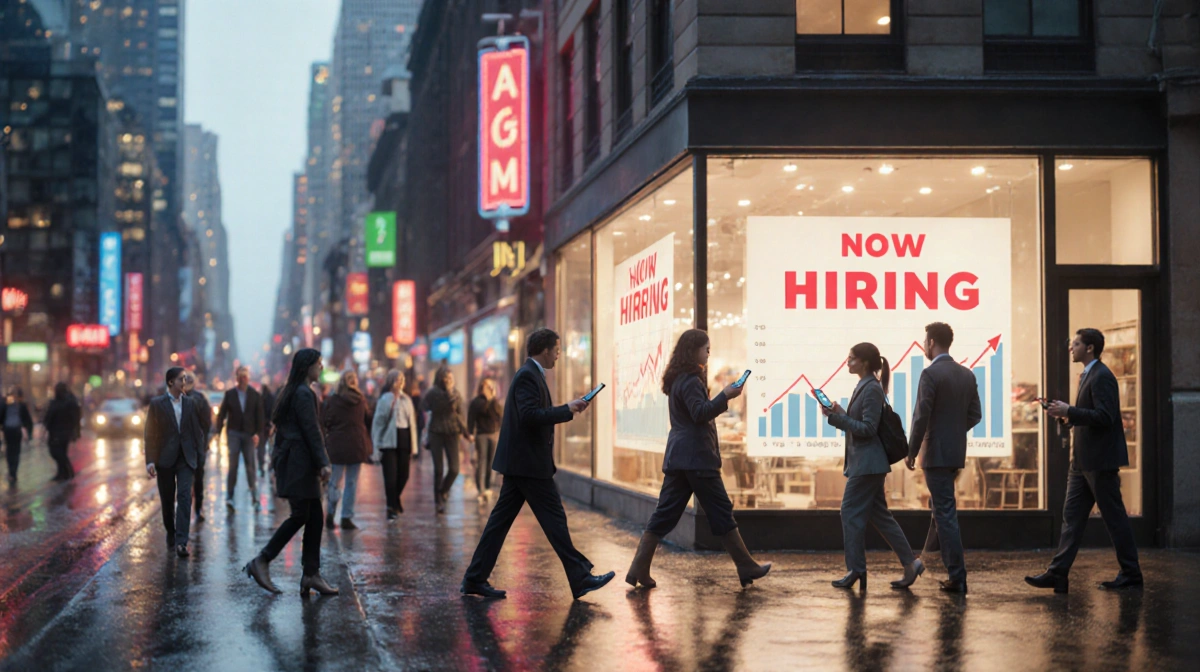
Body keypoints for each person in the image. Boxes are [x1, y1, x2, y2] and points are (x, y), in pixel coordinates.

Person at [462, 328, 615, 601]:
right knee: (554, 520)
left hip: (523, 463)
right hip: (528, 464)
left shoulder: (532, 375)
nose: (558, 355)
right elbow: (530, 415)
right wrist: (567, 409)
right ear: (544, 350)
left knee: (500, 523)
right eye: (556, 349)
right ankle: (580, 577)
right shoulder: (527, 376)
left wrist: (568, 408)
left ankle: (474, 578)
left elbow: (533, 413)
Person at [626, 329, 771, 590]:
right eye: (706, 349)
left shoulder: (678, 378)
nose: (709, 353)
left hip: (680, 457)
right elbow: (700, 413)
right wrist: (725, 395)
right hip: (697, 458)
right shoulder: (691, 380)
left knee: (665, 512)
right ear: (693, 350)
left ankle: (638, 567)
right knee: (720, 510)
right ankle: (745, 565)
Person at [1026, 328, 1142, 593]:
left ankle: (1132, 574)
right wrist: (1067, 415)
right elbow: (1090, 416)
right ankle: (1058, 574)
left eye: (1076, 344)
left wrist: (1071, 411)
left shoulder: (1102, 376)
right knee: (1072, 518)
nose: (1071, 348)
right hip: (1082, 462)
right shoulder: (1089, 375)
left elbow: (1105, 416)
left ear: (1089, 348)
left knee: (1114, 518)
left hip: (1099, 462)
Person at [822, 342, 922, 591]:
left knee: (849, 513)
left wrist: (836, 420)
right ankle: (911, 564)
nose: (847, 361)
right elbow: (861, 422)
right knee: (880, 516)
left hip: (867, 465)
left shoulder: (871, 389)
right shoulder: (865, 386)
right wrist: (839, 412)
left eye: (852, 358)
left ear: (865, 362)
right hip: (867, 464)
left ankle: (856, 569)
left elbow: (867, 429)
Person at [244, 349, 338, 596]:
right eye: (318, 363)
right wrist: (324, 462)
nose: (321, 367)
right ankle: (262, 560)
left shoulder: (294, 391)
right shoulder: (303, 394)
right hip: (299, 462)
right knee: (300, 515)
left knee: (314, 516)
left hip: (297, 461)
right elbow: (311, 431)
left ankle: (311, 574)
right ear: (307, 366)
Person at [905, 322, 981, 594]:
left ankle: (957, 576)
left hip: (935, 453)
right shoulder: (967, 375)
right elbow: (976, 415)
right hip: (955, 453)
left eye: (925, 341)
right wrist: (954, 432)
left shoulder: (930, 374)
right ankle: (927, 558)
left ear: (932, 341)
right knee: (940, 509)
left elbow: (920, 416)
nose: (925, 346)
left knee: (945, 513)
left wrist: (912, 450)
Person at [144, 367, 205, 558]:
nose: (184, 382)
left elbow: (197, 431)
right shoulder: (157, 404)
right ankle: (171, 533)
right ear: (171, 382)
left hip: (186, 458)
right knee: (168, 500)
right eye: (181, 379)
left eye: (186, 379)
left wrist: (200, 455)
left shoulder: (190, 403)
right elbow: (150, 434)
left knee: (185, 497)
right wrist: (150, 461)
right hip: (165, 459)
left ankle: (181, 542)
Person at [322, 370, 372, 531]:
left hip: (337, 445)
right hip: (356, 444)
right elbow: (367, 419)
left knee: (334, 481)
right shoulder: (360, 400)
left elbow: (327, 420)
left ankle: (330, 513)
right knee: (351, 482)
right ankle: (346, 517)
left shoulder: (334, 400)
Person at [215, 365, 265, 512]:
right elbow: (222, 413)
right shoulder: (230, 394)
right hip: (234, 433)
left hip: (249, 434)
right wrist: (218, 432)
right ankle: (230, 497)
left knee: (251, 466)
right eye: (240, 376)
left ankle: (254, 497)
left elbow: (260, 417)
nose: (243, 379)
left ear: (248, 378)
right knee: (233, 466)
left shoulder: (255, 395)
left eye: (245, 376)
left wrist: (257, 433)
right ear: (237, 378)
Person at [422, 368, 472, 514]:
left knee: (455, 469)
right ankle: (438, 501)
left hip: (452, 433)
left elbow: (460, 416)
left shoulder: (456, 394)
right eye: (446, 378)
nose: (449, 380)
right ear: (440, 379)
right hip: (436, 432)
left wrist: (466, 433)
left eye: (451, 378)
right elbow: (424, 407)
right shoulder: (433, 393)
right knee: (438, 469)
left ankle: (443, 490)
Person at [371, 370, 418, 520]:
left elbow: (412, 424)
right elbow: (378, 423)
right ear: (391, 382)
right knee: (390, 476)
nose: (400, 382)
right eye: (397, 380)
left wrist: (414, 446)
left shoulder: (407, 400)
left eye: (402, 380)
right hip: (388, 440)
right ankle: (391, 506)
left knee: (404, 475)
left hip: (404, 438)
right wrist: (376, 444)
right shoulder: (385, 399)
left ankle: (395, 498)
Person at [467, 377, 503, 504]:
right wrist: (470, 433)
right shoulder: (477, 402)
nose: (489, 388)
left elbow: (498, 415)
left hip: (493, 435)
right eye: (487, 386)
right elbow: (472, 417)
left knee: (491, 462)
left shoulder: (494, 401)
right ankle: (481, 488)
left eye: (490, 386)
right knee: (481, 461)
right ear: (481, 388)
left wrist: (492, 399)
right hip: (481, 434)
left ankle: (487, 487)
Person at [183, 372, 213, 521]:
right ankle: (198, 509)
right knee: (198, 478)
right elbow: (207, 423)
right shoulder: (200, 399)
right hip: (197, 445)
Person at [43, 383, 82, 481]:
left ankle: (67, 471)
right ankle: (62, 472)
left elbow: (74, 418)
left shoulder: (66, 402)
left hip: (60, 431)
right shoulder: (63, 401)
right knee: (60, 451)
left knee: (57, 452)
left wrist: (75, 431)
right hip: (59, 431)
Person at [1, 387, 34, 484]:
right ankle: (13, 473)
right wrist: (29, 434)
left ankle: (11, 472)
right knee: (16, 452)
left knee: (9, 451)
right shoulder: (21, 405)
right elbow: (28, 420)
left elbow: (1, 415)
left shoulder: (6, 404)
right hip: (16, 430)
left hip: (8, 430)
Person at [259, 383, 276, 479]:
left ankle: (262, 466)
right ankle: (270, 464)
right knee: (270, 446)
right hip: (269, 425)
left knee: (261, 447)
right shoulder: (271, 398)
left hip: (261, 426)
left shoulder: (260, 399)